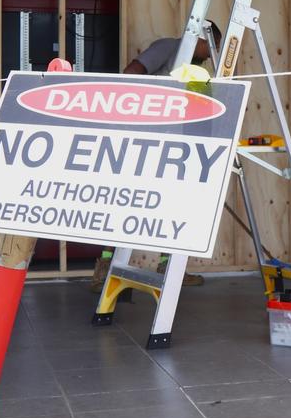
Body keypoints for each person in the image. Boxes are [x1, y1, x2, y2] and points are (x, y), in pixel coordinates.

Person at [91, 20, 221, 291]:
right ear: (199, 39)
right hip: (147, 141)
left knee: (171, 208)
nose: (212, 52)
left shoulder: (198, 69)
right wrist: (151, 112)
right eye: (211, 45)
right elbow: (131, 74)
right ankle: (104, 271)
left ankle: (168, 268)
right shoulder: (169, 48)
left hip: (177, 148)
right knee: (127, 204)